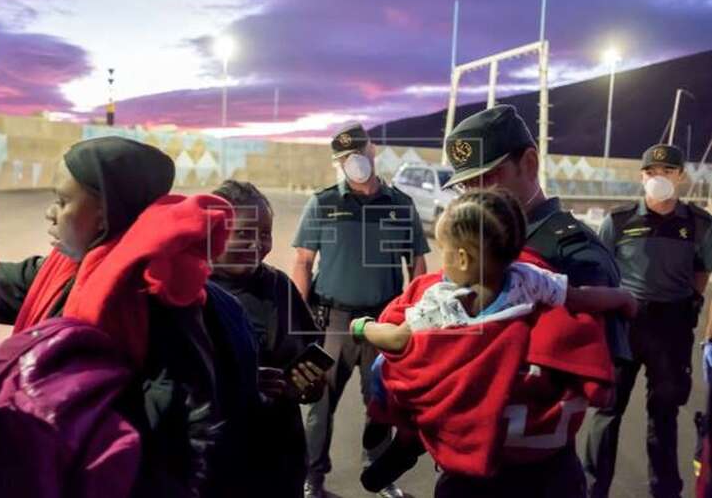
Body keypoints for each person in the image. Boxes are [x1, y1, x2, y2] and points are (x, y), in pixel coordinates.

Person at [0, 136, 261, 497]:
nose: (50, 212)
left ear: (106, 212)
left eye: (62, 201)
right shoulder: (63, 270)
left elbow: (183, 424)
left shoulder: (156, 293)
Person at [351, 188, 621, 497]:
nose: (442, 262)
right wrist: (624, 301)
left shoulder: (444, 301)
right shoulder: (530, 278)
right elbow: (581, 297)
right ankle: (405, 442)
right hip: (530, 455)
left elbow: (398, 339)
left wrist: (364, 327)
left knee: (388, 368)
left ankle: (392, 427)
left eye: (444, 251)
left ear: (463, 258)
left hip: (453, 396)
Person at [441, 104, 627, 496]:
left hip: (534, 475)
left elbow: (598, 375)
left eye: (488, 178)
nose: (475, 195)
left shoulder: (575, 254)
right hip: (464, 466)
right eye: (464, 185)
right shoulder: (472, 244)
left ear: (529, 163)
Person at [292, 122, 431, 498]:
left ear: (372, 151)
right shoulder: (323, 203)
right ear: (338, 162)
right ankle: (311, 477)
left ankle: (381, 474)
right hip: (331, 320)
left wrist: (414, 316)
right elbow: (304, 262)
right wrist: (299, 322)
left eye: (358, 152)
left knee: (382, 403)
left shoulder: (400, 205)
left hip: (383, 320)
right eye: (344, 157)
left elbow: (417, 264)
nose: (353, 162)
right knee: (319, 406)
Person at [585, 144, 712, 498]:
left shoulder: (699, 224)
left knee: (664, 413)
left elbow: (703, 268)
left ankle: (665, 491)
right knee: (607, 412)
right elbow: (601, 270)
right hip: (625, 324)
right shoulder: (618, 221)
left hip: (672, 327)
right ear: (642, 177)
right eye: (652, 173)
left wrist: (691, 301)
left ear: (681, 177)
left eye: (668, 172)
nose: (659, 178)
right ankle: (593, 489)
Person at [209, 180, 325, 498]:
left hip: (276, 461)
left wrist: (307, 385)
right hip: (211, 462)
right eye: (245, 233)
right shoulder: (185, 290)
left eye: (265, 233)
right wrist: (241, 382)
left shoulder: (278, 288)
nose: (258, 244)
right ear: (214, 230)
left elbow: (310, 365)